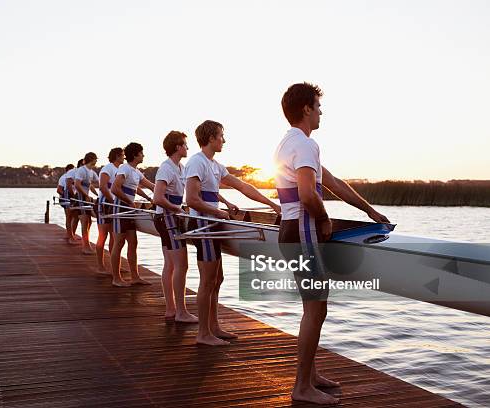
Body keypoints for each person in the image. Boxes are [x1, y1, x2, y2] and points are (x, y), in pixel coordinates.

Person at [275, 82, 389, 405]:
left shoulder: (289, 144)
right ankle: (301, 387)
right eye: (318, 105)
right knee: (316, 309)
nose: (322, 111)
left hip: (290, 230)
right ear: (307, 109)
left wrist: (368, 209)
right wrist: (324, 219)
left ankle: (310, 376)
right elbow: (309, 195)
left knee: (312, 308)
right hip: (305, 232)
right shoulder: (307, 145)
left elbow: (334, 183)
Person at [185, 120, 281, 346]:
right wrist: (217, 212)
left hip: (211, 224)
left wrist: (273, 205)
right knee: (208, 280)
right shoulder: (196, 162)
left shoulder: (215, 165)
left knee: (217, 278)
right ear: (210, 138)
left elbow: (243, 187)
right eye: (221, 136)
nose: (224, 140)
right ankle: (203, 334)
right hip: (203, 227)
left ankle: (214, 327)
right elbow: (191, 199)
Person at [152, 131, 197, 323]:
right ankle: (180, 312)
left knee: (170, 265)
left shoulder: (181, 167)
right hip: (167, 219)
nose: (187, 148)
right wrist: (177, 209)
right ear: (177, 147)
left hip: (169, 218)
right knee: (181, 265)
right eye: (185, 145)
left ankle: (171, 309)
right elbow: (157, 198)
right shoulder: (166, 168)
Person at [110, 142, 155, 287]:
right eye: (141, 153)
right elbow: (115, 188)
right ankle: (116, 279)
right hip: (121, 209)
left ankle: (135, 277)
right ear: (135, 155)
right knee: (119, 243)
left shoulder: (136, 171)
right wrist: (128, 202)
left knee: (133, 243)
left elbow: (150, 185)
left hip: (129, 210)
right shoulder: (125, 168)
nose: (143, 155)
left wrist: (156, 195)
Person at [95, 147, 125, 274]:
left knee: (114, 236)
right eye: (123, 155)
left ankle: (114, 266)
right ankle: (100, 266)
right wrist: (112, 202)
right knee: (103, 236)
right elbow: (102, 186)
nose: (124, 157)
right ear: (117, 156)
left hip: (115, 206)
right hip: (104, 205)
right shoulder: (108, 168)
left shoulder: (121, 170)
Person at [75, 152, 99, 255]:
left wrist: (98, 194)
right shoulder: (82, 170)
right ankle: (85, 246)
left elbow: (97, 183)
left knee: (88, 222)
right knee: (84, 222)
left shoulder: (91, 172)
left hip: (86, 198)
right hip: (80, 198)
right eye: (95, 159)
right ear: (91, 159)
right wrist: (86, 195)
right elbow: (77, 185)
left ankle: (87, 244)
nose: (97, 161)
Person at [57, 163, 75, 240]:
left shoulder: (74, 177)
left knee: (75, 217)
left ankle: (72, 233)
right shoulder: (63, 178)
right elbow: (58, 190)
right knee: (69, 217)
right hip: (66, 198)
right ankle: (69, 234)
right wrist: (65, 196)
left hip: (74, 198)